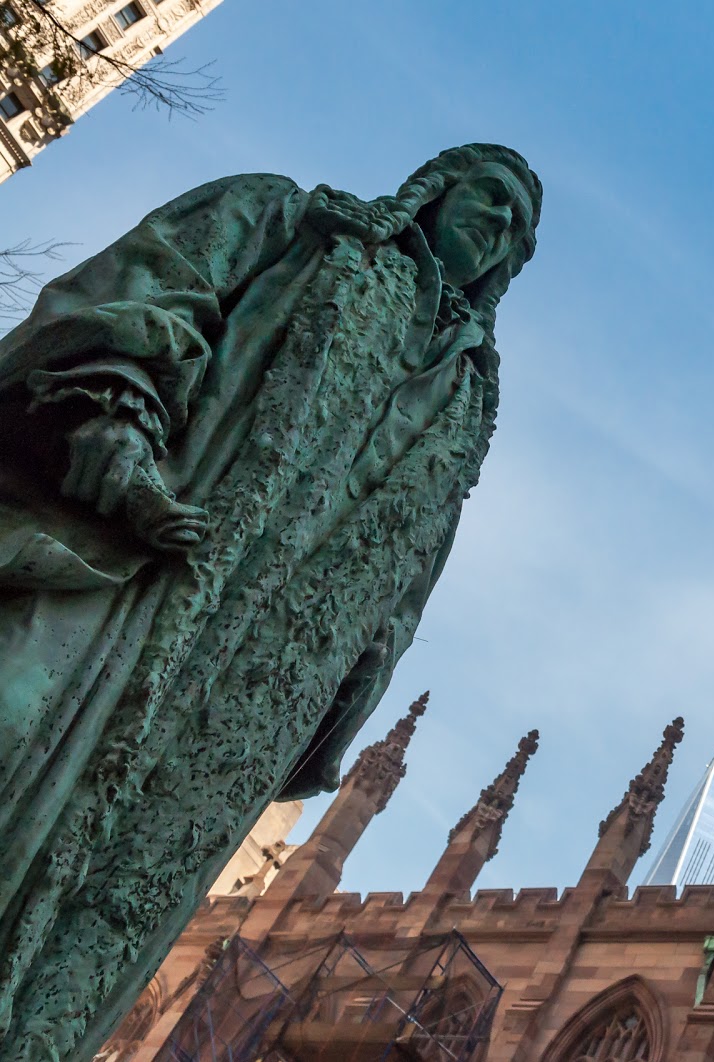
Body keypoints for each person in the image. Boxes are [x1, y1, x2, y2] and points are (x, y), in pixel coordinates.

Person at [0, 143, 541, 1061]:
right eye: (489, 201)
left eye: (518, 234)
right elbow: (148, 288)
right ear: (434, 191)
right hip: (136, 566)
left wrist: (336, 701)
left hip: (241, 706)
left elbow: (408, 578)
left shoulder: (465, 407)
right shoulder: (297, 225)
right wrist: (118, 422)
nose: (497, 232)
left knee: (90, 941)